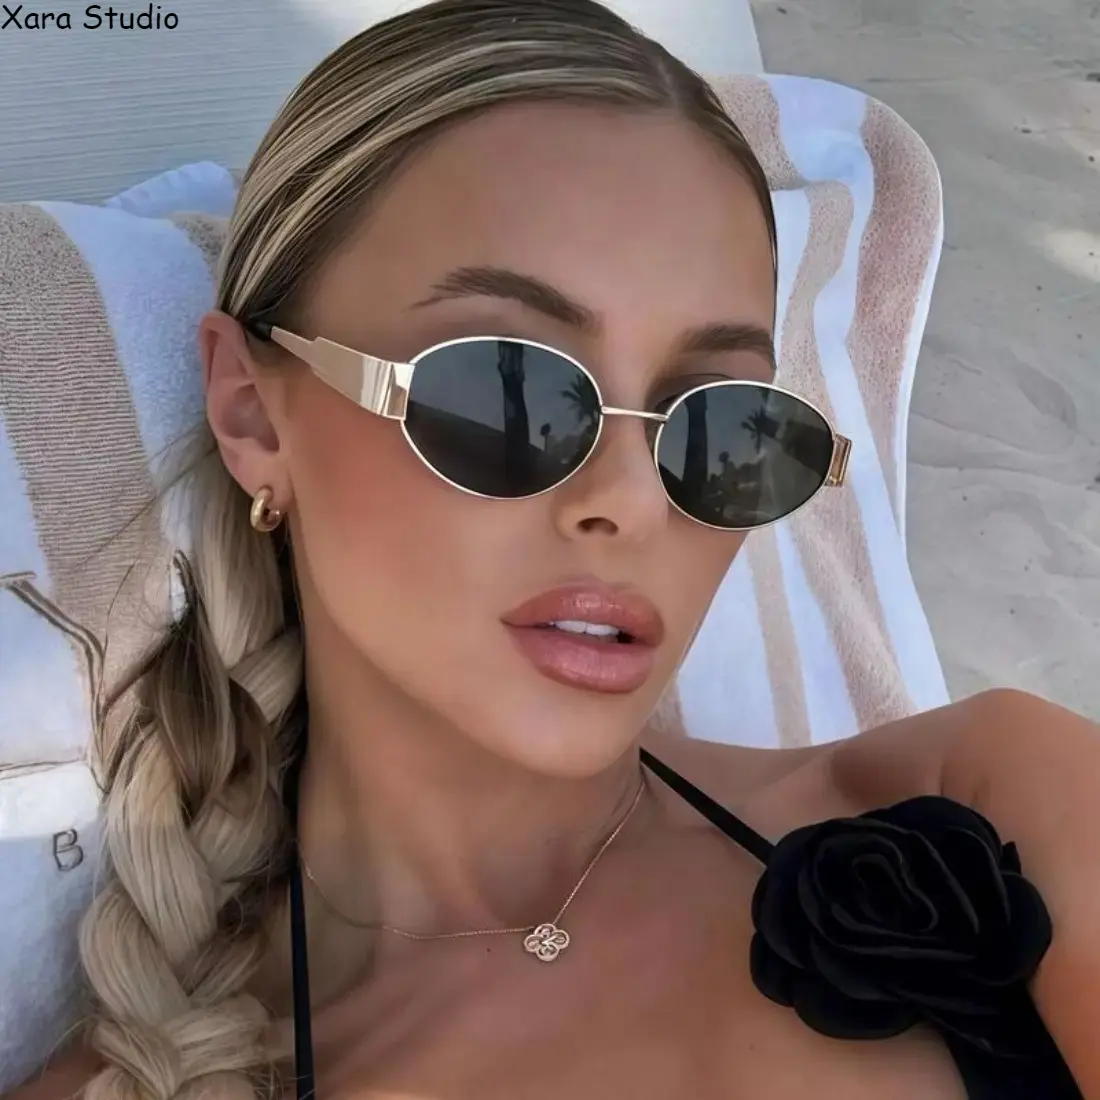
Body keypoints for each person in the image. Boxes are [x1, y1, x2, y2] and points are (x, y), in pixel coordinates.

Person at [10, 2, 1099, 1099]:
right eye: (507, 392)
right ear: (252, 413)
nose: (629, 502)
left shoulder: (997, 799)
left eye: (719, 424)